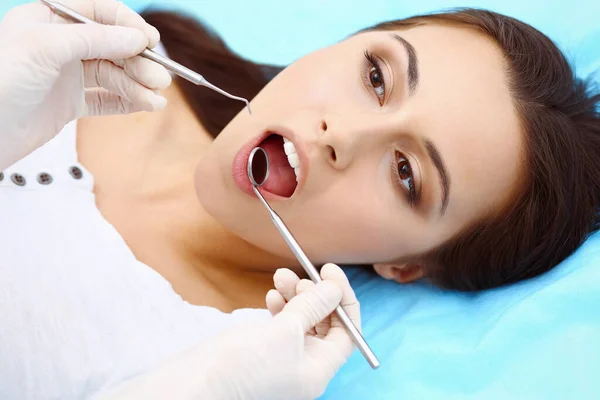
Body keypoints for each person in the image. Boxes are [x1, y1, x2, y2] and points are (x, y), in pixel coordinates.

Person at [1, 0, 599, 398]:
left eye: (407, 175)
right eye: (375, 77)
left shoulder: (227, 365)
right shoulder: (102, 52)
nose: (342, 134)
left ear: (406, 266)